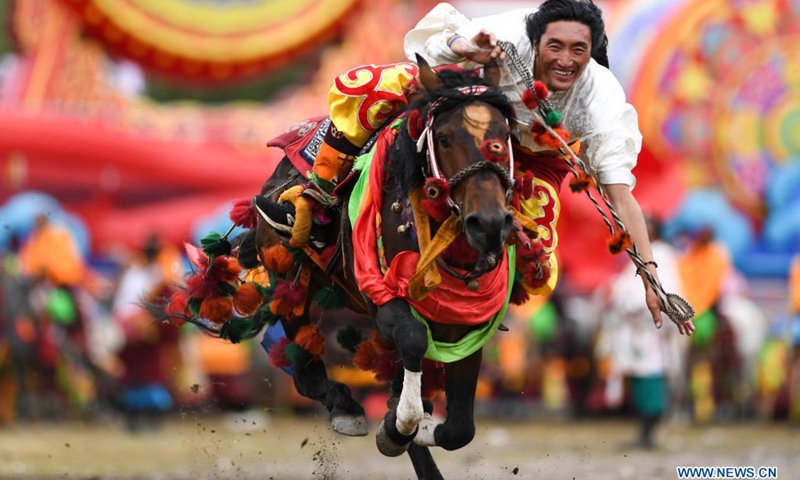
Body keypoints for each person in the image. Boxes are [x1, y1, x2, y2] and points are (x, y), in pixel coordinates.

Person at [258, 0, 693, 333]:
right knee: (381, 83)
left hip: (533, 155)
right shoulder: (505, 36)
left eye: (578, 50)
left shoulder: (603, 103)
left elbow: (621, 199)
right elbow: (437, 43)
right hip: (473, 119)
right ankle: (320, 187)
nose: (565, 60)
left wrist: (651, 277)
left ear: (591, 52)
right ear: (535, 41)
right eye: (555, 46)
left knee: (538, 248)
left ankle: (476, 304)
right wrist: (470, 48)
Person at [598, 216, 686, 449]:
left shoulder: (662, 255)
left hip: (649, 328)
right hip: (632, 330)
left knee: (651, 378)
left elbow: (667, 290)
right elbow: (624, 289)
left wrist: (633, 307)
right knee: (638, 379)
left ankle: (650, 433)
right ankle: (644, 433)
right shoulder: (638, 255)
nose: (641, 229)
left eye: (647, 226)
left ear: (656, 231)